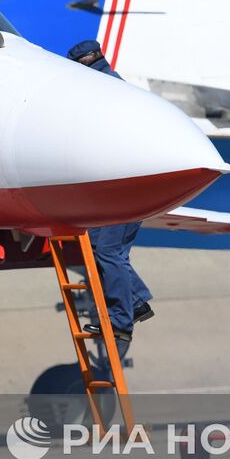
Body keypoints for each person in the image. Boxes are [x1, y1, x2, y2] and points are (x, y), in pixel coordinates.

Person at [66, 39, 155, 347]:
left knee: (106, 251)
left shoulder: (103, 91)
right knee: (100, 247)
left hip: (126, 187)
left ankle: (120, 323)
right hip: (133, 186)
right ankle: (138, 301)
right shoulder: (111, 86)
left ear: (86, 61)